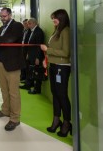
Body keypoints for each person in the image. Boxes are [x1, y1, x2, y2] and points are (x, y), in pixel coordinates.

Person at [40, 9, 71, 137]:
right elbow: (53, 51)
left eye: (55, 18)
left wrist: (48, 50)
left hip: (62, 67)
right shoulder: (57, 30)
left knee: (62, 94)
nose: (53, 20)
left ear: (62, 18)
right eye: (52, 18)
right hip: (53, 66)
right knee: (55, 93)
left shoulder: (66, 31)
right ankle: (56, 119)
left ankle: (67, 122)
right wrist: (46, 59)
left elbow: (65, 52)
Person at [20, 18, 45, 94]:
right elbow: (29, 44)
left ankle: (37, 89)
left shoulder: (39, 32)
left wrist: (38, 57)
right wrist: (28, 54)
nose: (28, 25)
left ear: (34, 23)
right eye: (27, 23)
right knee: (30, 70)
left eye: (29, 23)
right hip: (31, 54)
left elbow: (39, 46)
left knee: (37, 72)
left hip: (36, 56)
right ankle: (30, 84)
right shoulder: (32, 31)